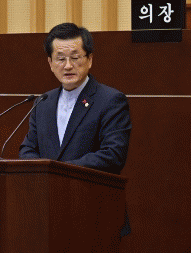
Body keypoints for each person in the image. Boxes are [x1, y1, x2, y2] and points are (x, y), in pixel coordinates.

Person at [19, 22, 131, 175]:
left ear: (89, 59)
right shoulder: (43, 102)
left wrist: (59, 171)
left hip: (87, 188)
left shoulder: (110, 101)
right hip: (46, 188)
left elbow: (113, 155)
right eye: (60, 59)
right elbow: (28, 149)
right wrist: (45, 173)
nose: (68, 66)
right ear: (50, 63)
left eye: (75, 57)